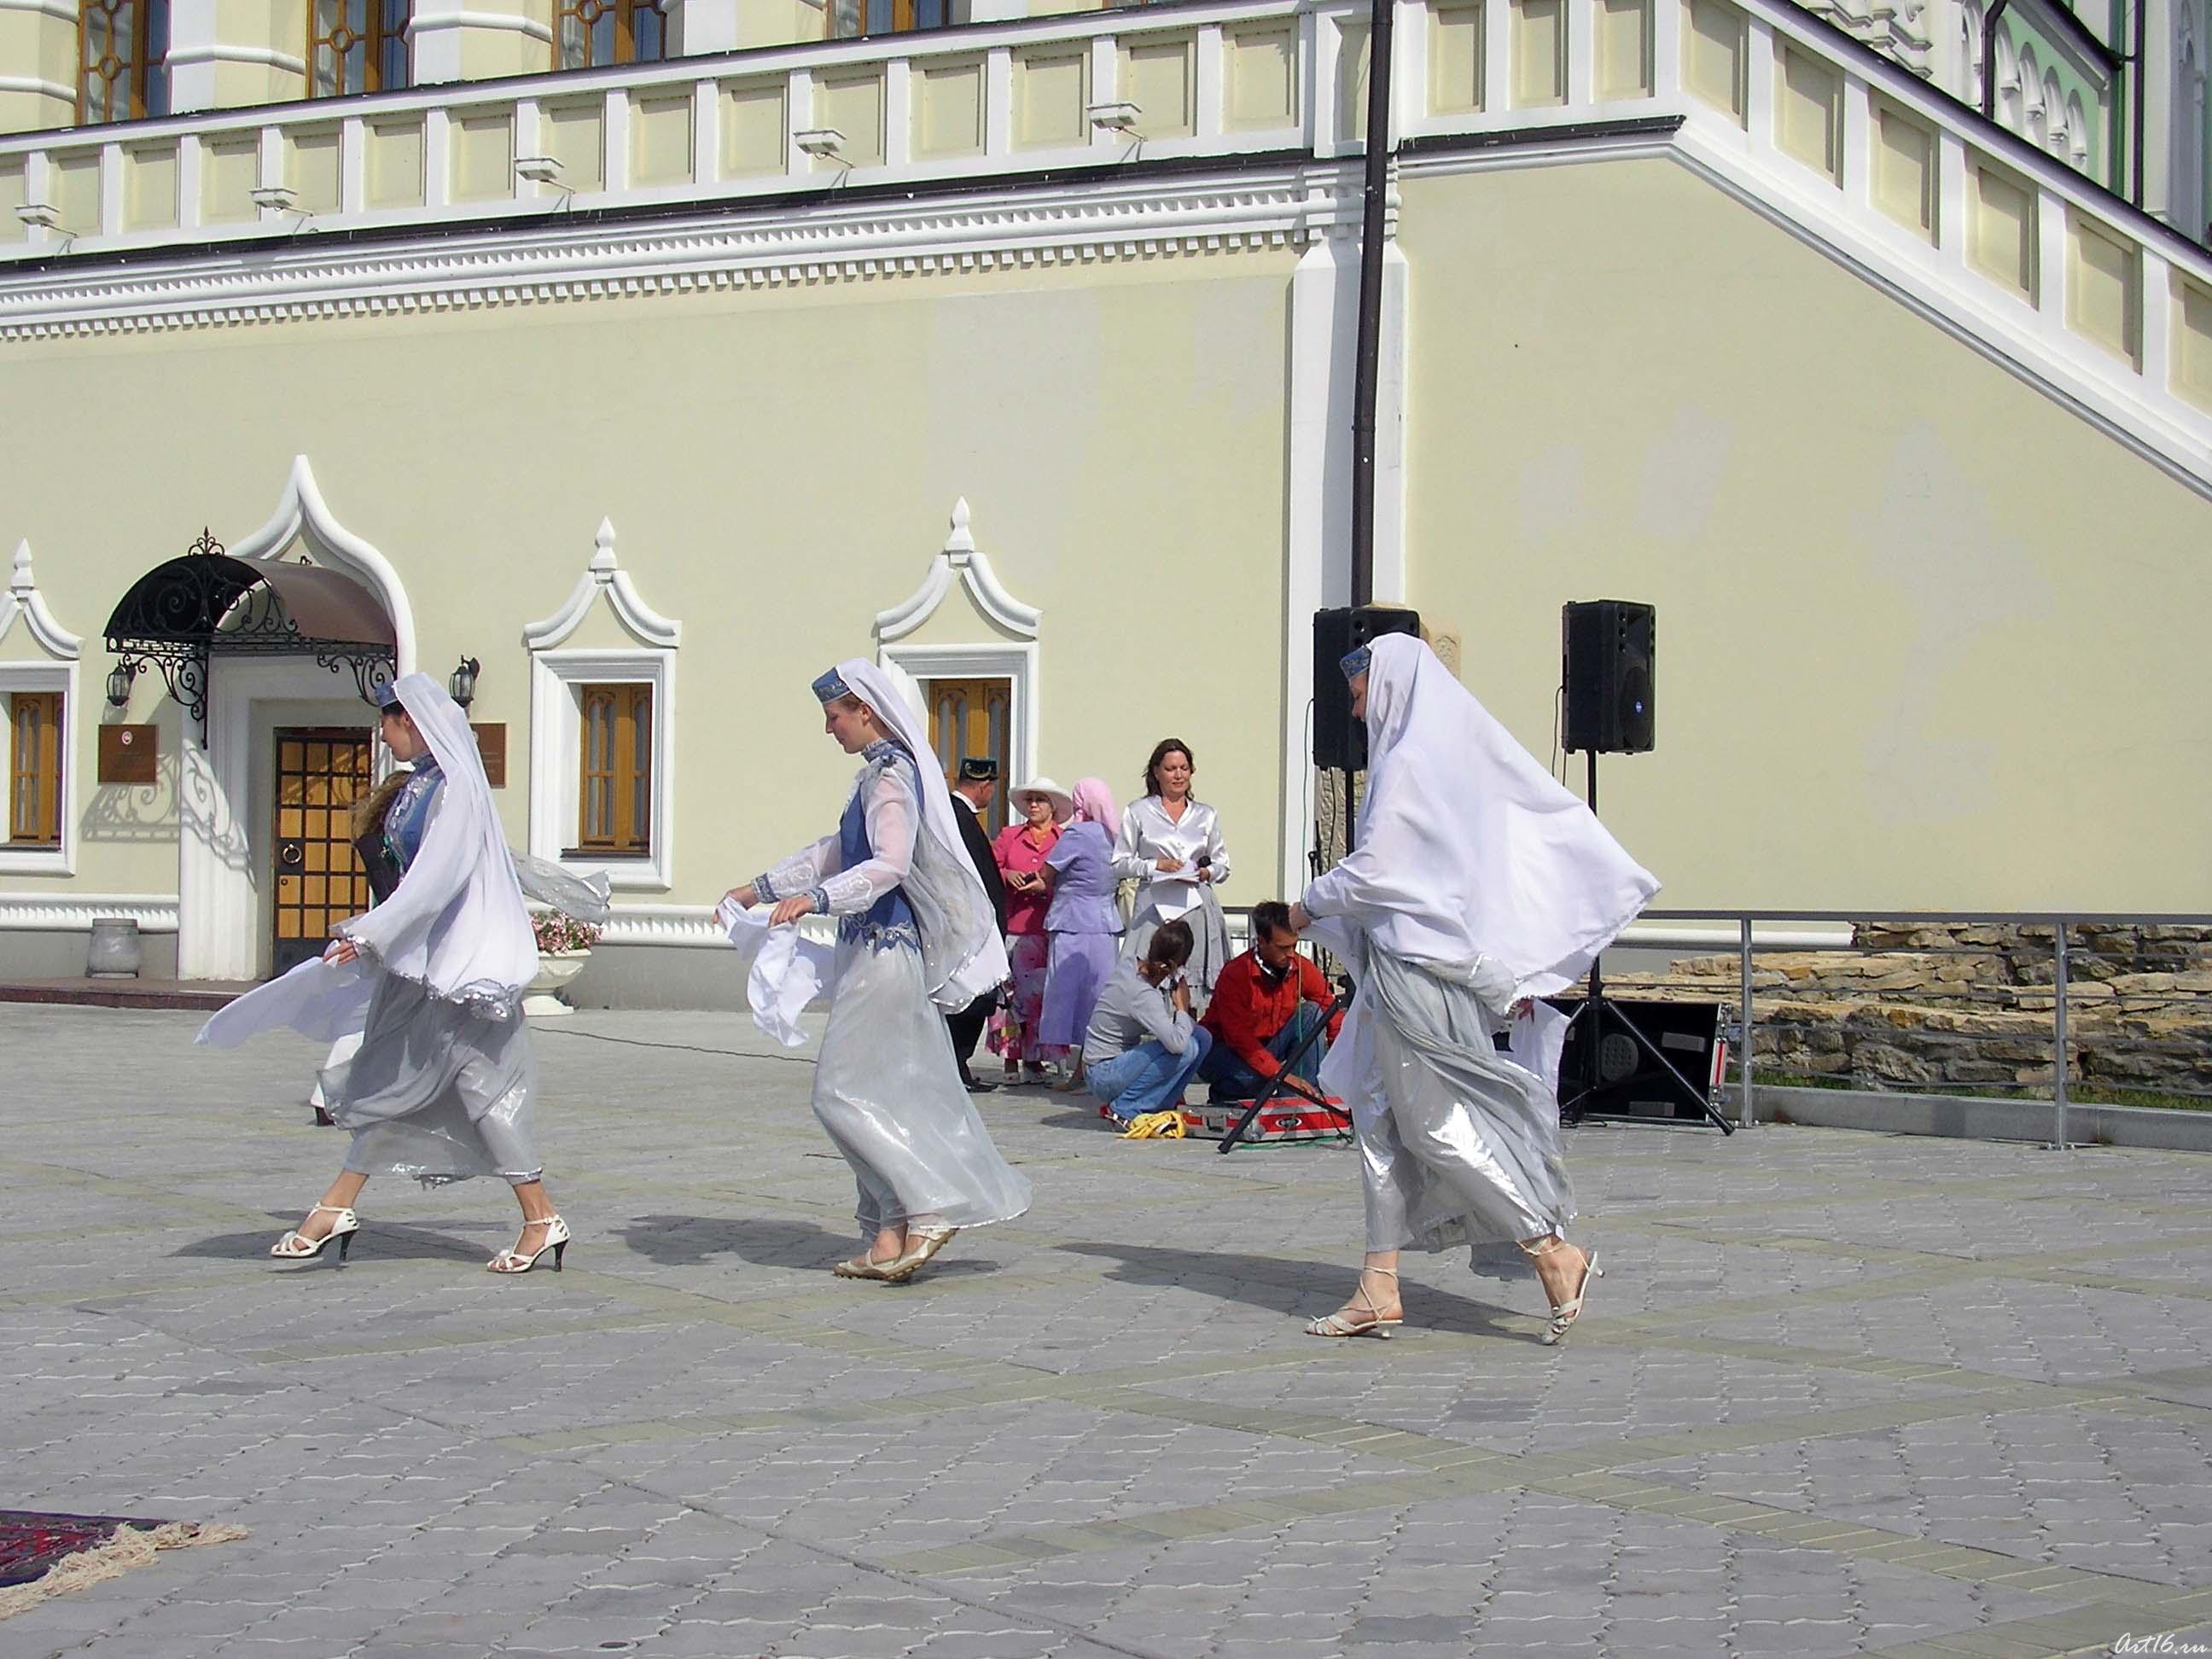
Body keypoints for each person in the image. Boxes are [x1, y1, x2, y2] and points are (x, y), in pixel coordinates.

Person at [1289, 636, 1657, 1347]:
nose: (1357, 710)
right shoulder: (1425, 762)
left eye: (1361, 693)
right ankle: (1379, 1283)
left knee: (1435, 1126)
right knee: (1379, 1120)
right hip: (1403, 970)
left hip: (1416, 977)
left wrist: (1310, 903)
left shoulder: (1409, 766)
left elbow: (1380, 874)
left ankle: (1553, 1252)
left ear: (1391, 686)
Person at [201, 675, 571, 1275]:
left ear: (415, 722)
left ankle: (536, 1216)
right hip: (422, 969)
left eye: (389, 721)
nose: (382, 731)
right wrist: (378, 936)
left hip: (458, 976)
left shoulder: (453, 792)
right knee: (397, 1082)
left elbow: (436, 880)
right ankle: (340, 1206)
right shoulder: (421, 786)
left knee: (473, 1089)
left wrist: (370, 933)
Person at [723, 661, 1030, 1283]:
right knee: (883, 1093)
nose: (829, 729)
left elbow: (888, 864)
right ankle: (888, 1237)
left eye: (834, 716)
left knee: (838, 1093)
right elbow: (834, 851)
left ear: (865, 710)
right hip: (876, 952)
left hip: (885, 956)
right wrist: (760, 888)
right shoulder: (880, 778)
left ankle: (926, 1203)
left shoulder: (891, 777)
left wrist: (818, 899)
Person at [1113, 739, 1231, 1007]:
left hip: (1195, 904)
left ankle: (1190, 1038)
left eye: (1183, 768)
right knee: (1149, 978)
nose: (1178, 775)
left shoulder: (1206, 814)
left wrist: (1206, 872)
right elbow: (1119, 863)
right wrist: (1156, 865)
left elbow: (1223, 864)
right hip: (1155, 905)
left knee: (1192, 985)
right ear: (1156, 772)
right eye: (1170, 768)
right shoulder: (1138, 811)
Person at [1196, 899, 1345, 1101]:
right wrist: (1280, 1075)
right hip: (1225, 1052)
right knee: (1255, 1077)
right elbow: (1240, 1039)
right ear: (1261, 941)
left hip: (1267, 1049)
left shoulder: (1300, 967)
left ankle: (1301, 1098)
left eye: (1294, 946)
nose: (1290, 955)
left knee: (1313, 1013)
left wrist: (1342, 1062)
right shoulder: (1236, 974)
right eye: (1283, 948)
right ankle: (1229, 1094)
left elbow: (1330, 1009)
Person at [1037, 777, 1123, 1092]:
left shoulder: (1077, 833)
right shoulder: (1117, 834)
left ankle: (1081, 1073)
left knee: (1069, 998)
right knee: (1097, 999)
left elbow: (1048, 872)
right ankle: (1087, 1072)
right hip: (1105, 924)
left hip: (1073, 921)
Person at [1082, 919, 1213, 1126]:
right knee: (1186, 1048)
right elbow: (1177, 1044)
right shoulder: (1142, 994)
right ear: (1174, 966)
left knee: (1202, 1038)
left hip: (1116, 1065)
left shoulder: (1130, 965)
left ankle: (1163, 1104)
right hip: (1103, 1073)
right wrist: (1182, 1008)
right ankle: (1125, 1109)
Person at [988, 777, 1071, 1084]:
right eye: (1030, 800)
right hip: (1013, 926)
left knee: (1041, 998)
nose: (1033, 805)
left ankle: (1036, 1060)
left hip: (1047, 928)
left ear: (1053, 807)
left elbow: (1072, 880)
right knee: (1007, 997)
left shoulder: (1064, 840)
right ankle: (1010, 1058)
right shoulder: (1010, 836)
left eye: (1040, 800)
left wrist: (1044, 888)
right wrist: (1008, 874)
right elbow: (989, 868)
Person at [945, 755, 1009, 1092]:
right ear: (985, 786)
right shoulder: (960, 818)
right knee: (971, 1000)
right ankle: (955, 1065)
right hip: (971, 929)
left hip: (970, 926)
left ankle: (958, 1066)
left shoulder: (957, 815)